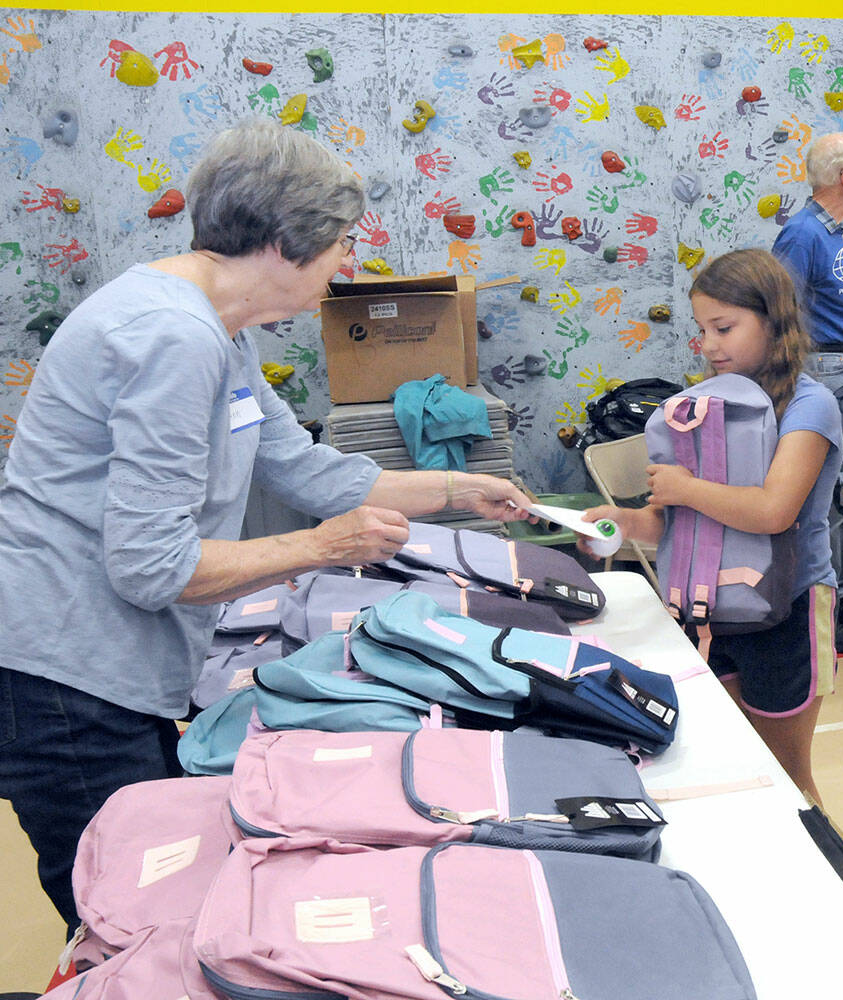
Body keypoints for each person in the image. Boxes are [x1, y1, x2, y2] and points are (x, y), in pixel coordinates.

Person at [0, 117, 533, 932]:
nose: (348, 262)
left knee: (168, 877)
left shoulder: (217, 326)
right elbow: (152, 567)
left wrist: (460, 489)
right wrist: (324, 547)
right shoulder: (173, 336)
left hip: (117, 665)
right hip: (68, 673)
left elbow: (308, 468)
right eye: (342, 242)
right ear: (287, 243)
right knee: (129, 921)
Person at [585, 249, 843, 804]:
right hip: (711, 612)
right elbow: (682, 524)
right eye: (702, 330)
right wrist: (628, 521)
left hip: (788, 610)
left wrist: (685, 487)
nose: (710, 345)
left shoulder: (810, 405)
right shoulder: (707, 407)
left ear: (775, 321)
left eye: (724, 327)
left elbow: (775, 511)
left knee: (786, 777)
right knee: (726, 761)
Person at [771, 131, 843, 652]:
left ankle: (840, 597)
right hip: (824, 366)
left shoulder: (829, 231)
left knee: (840, 489)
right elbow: (780, 311)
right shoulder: (802, 234)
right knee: (826, 493)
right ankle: (824, 608)